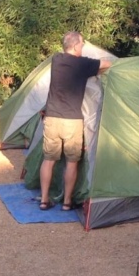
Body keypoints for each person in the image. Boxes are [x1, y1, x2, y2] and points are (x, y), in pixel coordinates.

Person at [39, 32, 111, 211]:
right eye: (82, 44)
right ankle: (67, 202)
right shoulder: (83, 64)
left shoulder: (56, 59)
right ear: (76, 45)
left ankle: (44, 200)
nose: (83, 47)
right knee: (72, 162)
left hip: (52, 118)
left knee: (48, 160)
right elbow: (107, 64)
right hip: (72, 121)